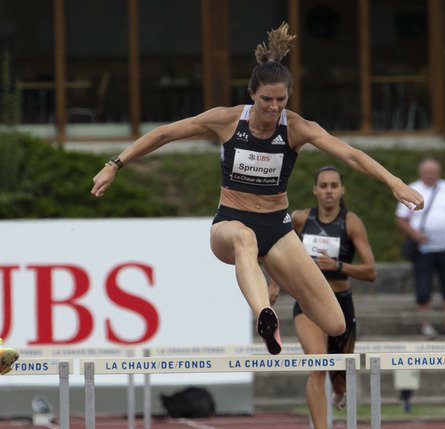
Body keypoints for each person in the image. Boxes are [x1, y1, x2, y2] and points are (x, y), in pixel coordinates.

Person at [90, 23, 424, 355]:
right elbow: (164, 134)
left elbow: (350, 154)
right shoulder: (227, 119)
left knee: (335, 323)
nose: (274, 108)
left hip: (277, 229)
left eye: (282, 99)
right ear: (252, 94)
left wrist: (395, 183)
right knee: (245, 240)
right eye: (266, 100)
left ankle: (274, 292)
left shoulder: (297, 128)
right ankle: (265, 315)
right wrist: (114, 164)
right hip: (231, 223)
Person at [268, 165, 376, 429]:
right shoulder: (301, 219)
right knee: (318, 366)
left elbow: (371, 271)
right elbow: (276, 249)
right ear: (315, 189)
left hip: (341, 303)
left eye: (334, 186)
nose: (329, 191)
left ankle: (339, 392)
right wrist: (275, 283)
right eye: (324, 186)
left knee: (339, 381)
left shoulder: (351, 222)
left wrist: (338, 266)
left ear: (341, 190)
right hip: (308, 304)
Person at [396, 158, 445, 338]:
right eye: (426, 172)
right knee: (423, 287)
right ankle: (425, 324)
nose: (430, 175)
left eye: (433, 171)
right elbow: (401, 219)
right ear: (420, 173)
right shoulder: (411, 188)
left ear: (439, 173)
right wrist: (415, 234)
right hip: (423, 248)